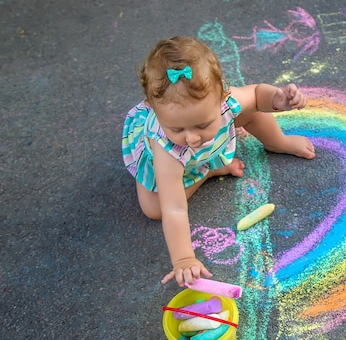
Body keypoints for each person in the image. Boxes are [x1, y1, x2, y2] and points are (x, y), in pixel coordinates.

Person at [122, 36, 315, 287]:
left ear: (223, 96)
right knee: (154, 209)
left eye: (202, 124)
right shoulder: (165, 148)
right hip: (174, 164)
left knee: (249, 112)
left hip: (208, 146)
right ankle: (208, 172)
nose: (191, 137)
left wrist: (278, 101)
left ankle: (277, 141)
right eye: (177, 127)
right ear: (153, 110)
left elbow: (257, 95)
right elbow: (174, 209)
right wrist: (183, 258)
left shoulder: (227, 101)